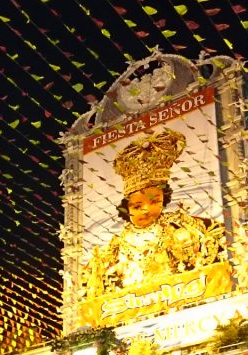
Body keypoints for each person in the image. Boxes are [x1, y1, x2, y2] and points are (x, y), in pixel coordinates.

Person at [82, 127, 228, 297]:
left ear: (164, 201)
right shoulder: (112, 250)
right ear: (126, 208)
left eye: (155, 202)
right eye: (137, 206)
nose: (147, 210)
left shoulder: (187, 227)